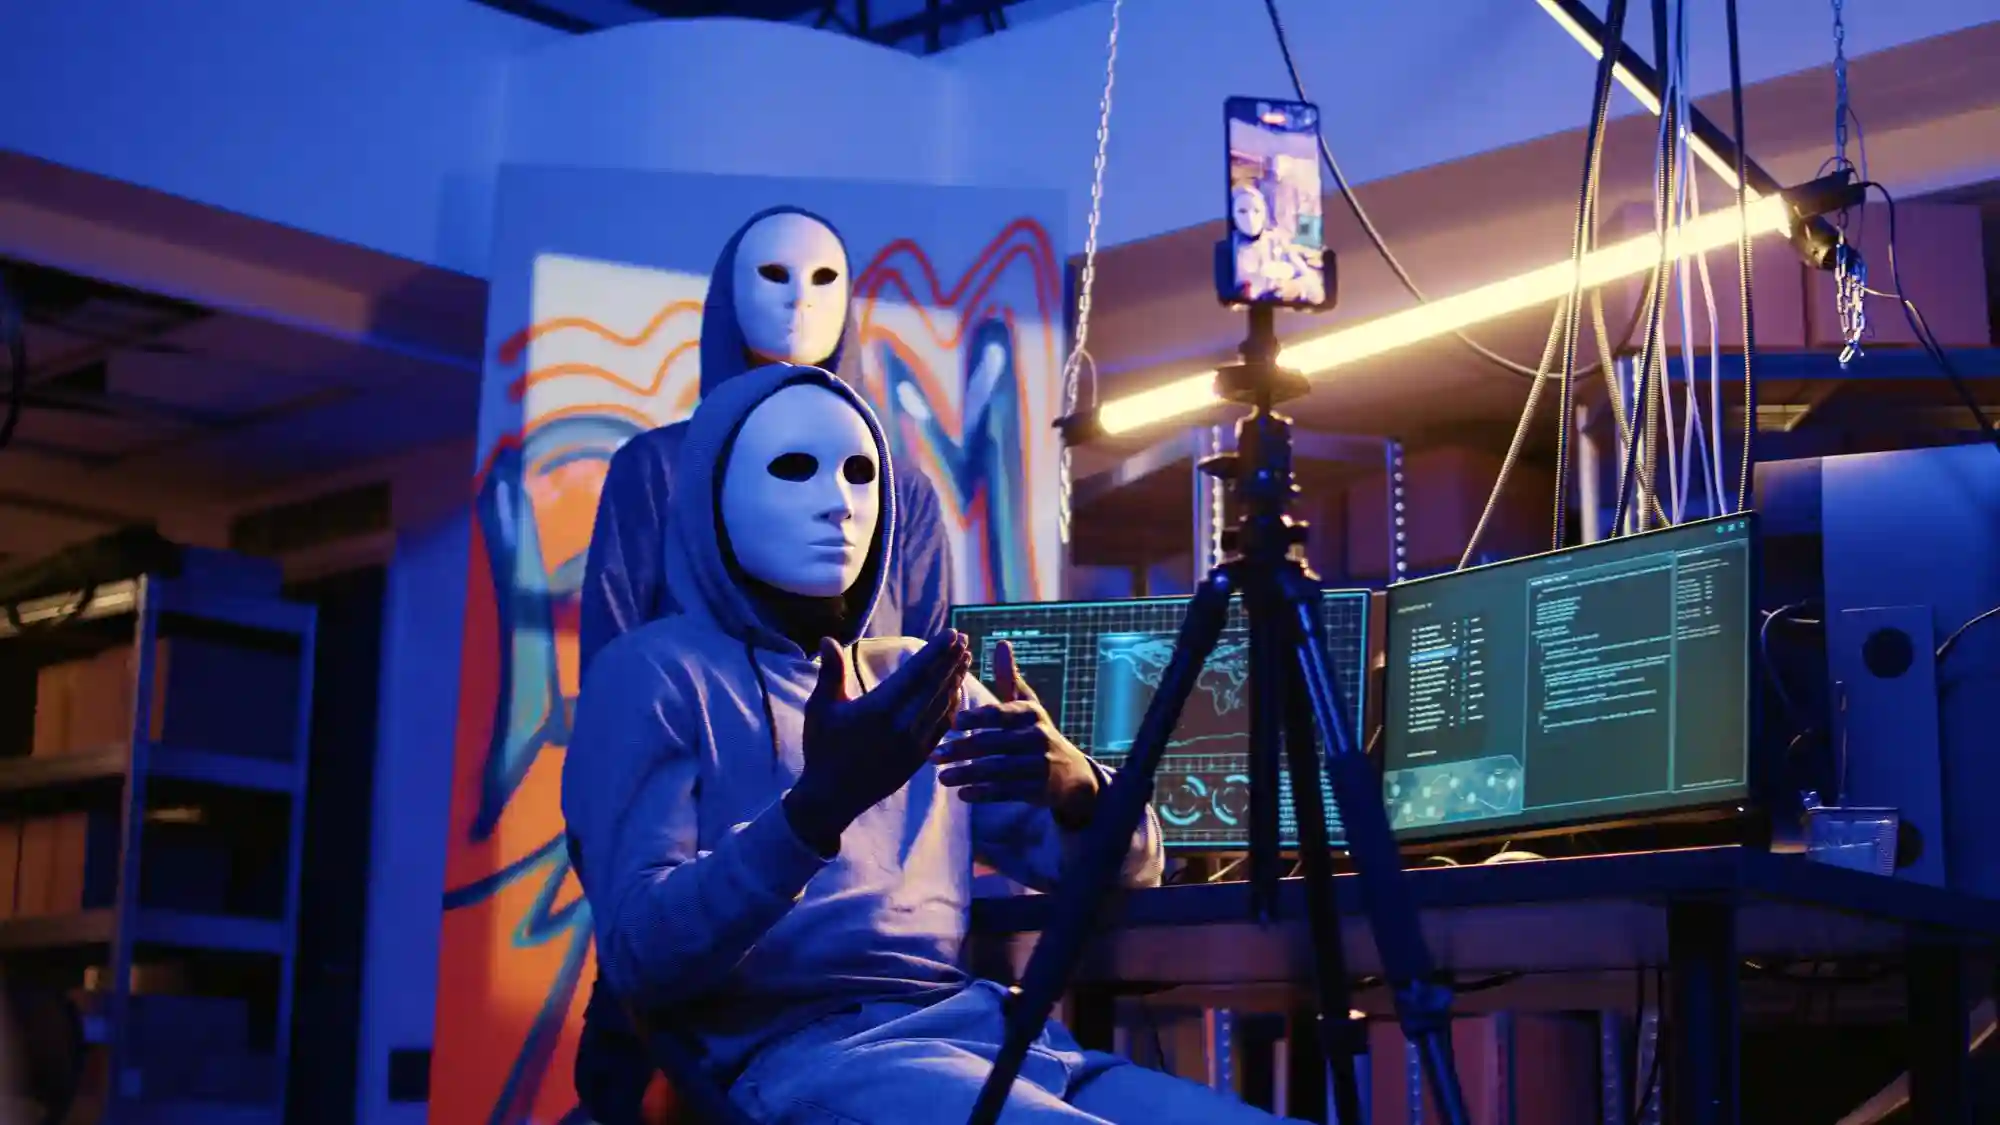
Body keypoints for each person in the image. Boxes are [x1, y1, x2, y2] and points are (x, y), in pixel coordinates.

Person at [563, 362, 1309, 1124]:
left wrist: (1078, 787)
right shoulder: (653, 675)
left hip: (995, 1038)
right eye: (793, 468)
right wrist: (814, 811)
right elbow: (640, 954)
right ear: (714, 493)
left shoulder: (914, 682)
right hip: (810, 1059)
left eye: (860, 474)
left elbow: (1136, 868)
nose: (838, 503)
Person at [573, 207, 955, 1122]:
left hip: (868, 921)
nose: (838, 508)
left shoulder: (904, 491)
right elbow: (614, 710)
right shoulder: (654, 478)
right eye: (773, 275)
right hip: (711, 897)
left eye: (823, 278)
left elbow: (924, 695)